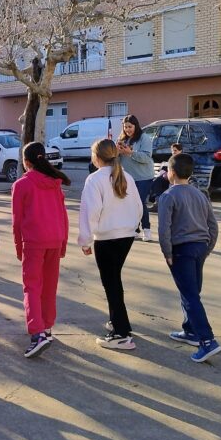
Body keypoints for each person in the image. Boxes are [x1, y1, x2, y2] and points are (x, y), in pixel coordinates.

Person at [78, 139, 143, 351]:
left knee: (111, 283)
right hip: (126, 236)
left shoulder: (95, 179)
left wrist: (85, 240)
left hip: (106, 238)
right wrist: (132, 227)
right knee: (114, 280)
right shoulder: (126, 176)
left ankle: (121, 334)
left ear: (97, 157)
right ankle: (119, 322)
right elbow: (139, 207)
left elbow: (90, 213)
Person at [158, 153, 221, 363]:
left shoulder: (168, 196)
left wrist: (167, 252)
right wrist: (208, 247)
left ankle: (207, 340)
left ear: (171, 173)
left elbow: (164, 228)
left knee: (190, 295)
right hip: (200, 246)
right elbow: (213, 225)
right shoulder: (200, 194)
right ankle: (191, 330)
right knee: (192, 291)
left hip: (181, 249)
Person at [12, 142, 70, 359]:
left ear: (26, 162)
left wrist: (19, 247)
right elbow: (63, 215)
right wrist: (63, 243)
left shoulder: (21, 185)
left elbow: (17, 221)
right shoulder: (55, 183)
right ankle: (46, 328)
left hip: (34, 241)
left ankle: (37, 334)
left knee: (32, 287)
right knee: (49, 286)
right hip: (55, 238)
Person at [117, 114, 155, 241]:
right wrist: (116, 153)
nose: (127, 129)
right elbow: (117, 159)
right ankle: (135, 230)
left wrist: (131, 153)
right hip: (128, 177)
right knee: (131, 203)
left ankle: (147, 230)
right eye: (125, 127)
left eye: (130, 127)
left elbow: (146, 158)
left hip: (144, 177)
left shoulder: (144, 138)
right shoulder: (122, 139)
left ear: (136, 126)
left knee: (139, 202)